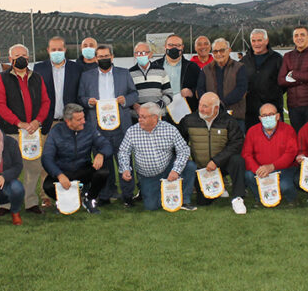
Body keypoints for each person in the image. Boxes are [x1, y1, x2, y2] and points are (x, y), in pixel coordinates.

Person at [78, 43, 138, 204]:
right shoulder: (87, 76)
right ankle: (105, 195)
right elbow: (81, 97)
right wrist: (88, 102)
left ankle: (127, 195)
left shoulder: (123, 74)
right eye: (100, 57)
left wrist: (125, 100)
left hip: (121, 126)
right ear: (95, 59)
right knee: (103, 163)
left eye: (106, 56)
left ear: (112, 57)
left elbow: (134, 94)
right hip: (98, 127)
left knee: (124, 160)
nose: (104, 59)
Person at [0, 43, 50, 213]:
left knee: (33, 168)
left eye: (24, 55)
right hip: (12, 131)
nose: (21, 59)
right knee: (9, 168)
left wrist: (37, 121)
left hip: (33, 131)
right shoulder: (2, 78)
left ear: (28, 57)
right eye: (17, 56)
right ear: (10, 59)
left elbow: (46, 102)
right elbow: (0, 105)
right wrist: (19, 123)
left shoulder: (37, 78)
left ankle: (31, 202)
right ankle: (6, 204)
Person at [118, 102, 195, 211]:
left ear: (155, 118)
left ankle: (184, 200)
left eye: (143, 117)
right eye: (139, 116)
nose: (139, 119)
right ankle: (165, 192)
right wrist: (125, 169)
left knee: (190, 166)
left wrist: (176, 170)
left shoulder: (169, 129)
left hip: (168, 167)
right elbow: (123, 151)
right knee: (151, 206)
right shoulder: (132, 131)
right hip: (148, 175)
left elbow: (184, 150)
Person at [179, 92, 247, 213]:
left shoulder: (229, 121)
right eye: (200, 105)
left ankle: (238, 198)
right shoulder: (189, 120)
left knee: (237, 160)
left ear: (216, 108)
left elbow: (236, 143)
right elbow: (179, 142)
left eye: (205, 106)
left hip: (222, 164)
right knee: (203, 202)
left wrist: (216, 161)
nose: (201, 109)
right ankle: (218, 188)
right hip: (202, 169)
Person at [41, 103, 113, 214]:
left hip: (83, 168)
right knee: (48, 186)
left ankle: (89, 199)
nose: (83, 121)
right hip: (63, 171)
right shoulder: (56, 131)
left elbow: (106, 145)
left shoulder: (89, 128)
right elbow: (46, 158)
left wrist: (101, 154)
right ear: (68, 121)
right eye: (79, 120)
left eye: (83, 117)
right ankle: (64, 200)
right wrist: (59, 174)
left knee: (103, 172)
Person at [242, 103, 298, 207]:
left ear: (277, 116)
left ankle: (292, 199)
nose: (268, 118)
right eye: (264, 115)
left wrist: (272, 166)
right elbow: (246, 154)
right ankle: (260, 198)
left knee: (284, 186)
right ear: (260, 118)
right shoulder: (252, 131)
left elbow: (291, 154)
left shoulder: (288, 130)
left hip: (284, 168)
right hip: (260, 169)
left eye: (271, 114)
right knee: (248, 175)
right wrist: (257, 169)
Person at [278, 26, 308, 133]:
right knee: (298, 140)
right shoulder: (287, 56)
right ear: (293, 38)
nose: (299, 38)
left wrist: (293, 74)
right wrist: (303, 79)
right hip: (293, 105)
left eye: (302, 35)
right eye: (296, 35)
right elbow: (281, 80)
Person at [196, 37, 248, 133]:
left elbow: (241, 89)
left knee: (237, 146)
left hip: (235, 117)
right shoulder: (205, 70)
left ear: (229, 51)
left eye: (222, 50)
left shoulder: (240, 67)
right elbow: (200, 89)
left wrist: (221, 103)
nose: (219, 54)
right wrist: (210, 105)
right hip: (212, 117)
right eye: (215, 51)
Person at [32, 36, 82, 135]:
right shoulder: (39, 69)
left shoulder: (76, 68)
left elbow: (79, 95)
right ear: (48, 50)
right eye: (53, 49)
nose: (57, 52)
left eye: (59, 49)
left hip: (71, 123)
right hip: (48, 123)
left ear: (65, 49)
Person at [240, 28, 284, 130]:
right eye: (253, 41)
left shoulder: (277, 59)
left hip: (272, 109)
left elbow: (283, 84)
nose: (256, 44)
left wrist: (272, 94)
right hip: (250, 111)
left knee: (274, 140)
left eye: (259, 40)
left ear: (266, 41)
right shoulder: (244, 61)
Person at [152, 33, 201, 113]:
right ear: (165, 46)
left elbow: (201, 87)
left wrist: (191, 91)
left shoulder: (192, 67)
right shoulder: (154, 66)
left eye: (178, 45)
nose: (174, 48)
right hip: (160, 112)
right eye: (170, 45)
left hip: (185, 112)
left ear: (182, 47)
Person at [130, 41, 173, 118]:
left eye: (144, 53)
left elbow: (169, 94)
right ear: (135, 55)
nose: (141, 55)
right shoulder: (129, 73)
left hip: (158, 116)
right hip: (138, 118)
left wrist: (157, 105)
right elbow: (127, 96)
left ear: (150, 54)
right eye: (138, 53)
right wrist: (134, 106)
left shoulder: (161, 71)